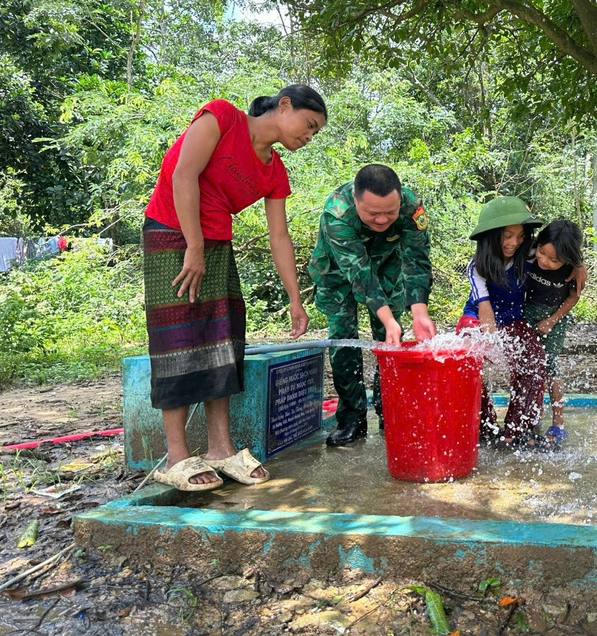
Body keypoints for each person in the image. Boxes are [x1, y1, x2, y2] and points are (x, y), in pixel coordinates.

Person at [143, 84, 327, 491]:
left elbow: (279, 236)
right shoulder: (222, 117)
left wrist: (296, 299)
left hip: (215, 244)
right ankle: (176, 457)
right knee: (178, 339)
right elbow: (182, 174)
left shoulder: (274, 169)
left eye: (316, 133)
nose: (309, 136)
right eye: (309, 125)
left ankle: (219, 449)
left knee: (223, 340)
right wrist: (193, 245)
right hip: (172, 232)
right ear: (283, 106)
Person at [308, 164, 436, 447]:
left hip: (387, 265)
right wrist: (388, 317)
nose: (382, 219)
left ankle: (389, 409)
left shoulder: (411, 206)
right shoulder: (338, 213)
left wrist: (419, 311)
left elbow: (416, 259)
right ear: (356, 199)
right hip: (339, 273)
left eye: (390, 212)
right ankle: (352, 416)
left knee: (390, 340)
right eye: (373, 213)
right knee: (344, 340)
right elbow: (359, 273)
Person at [455, 196, 552, 449]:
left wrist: (578, 266)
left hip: (513, 319)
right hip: (478, 319)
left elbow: (557, 249)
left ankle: (518, 431)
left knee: (534, 358)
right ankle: (483, 427)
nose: (513, 243)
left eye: (520, 236)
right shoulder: (477, 266)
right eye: (507, 236)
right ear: (491, 236)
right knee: (467, 363)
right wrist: (493, 348)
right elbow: (484, 311)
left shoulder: (529, 253)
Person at [523, 219, 585, 445]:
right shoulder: (528, 251)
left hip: (554, 317)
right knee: (528, 365)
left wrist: (551, 320)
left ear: (568, 260)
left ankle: (558, 423)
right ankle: (532, 417)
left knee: (550, 366)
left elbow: (573, 296)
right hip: (528, 312)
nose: (544, 261)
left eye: (553, 260)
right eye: (542, 252)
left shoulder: (572, 270)